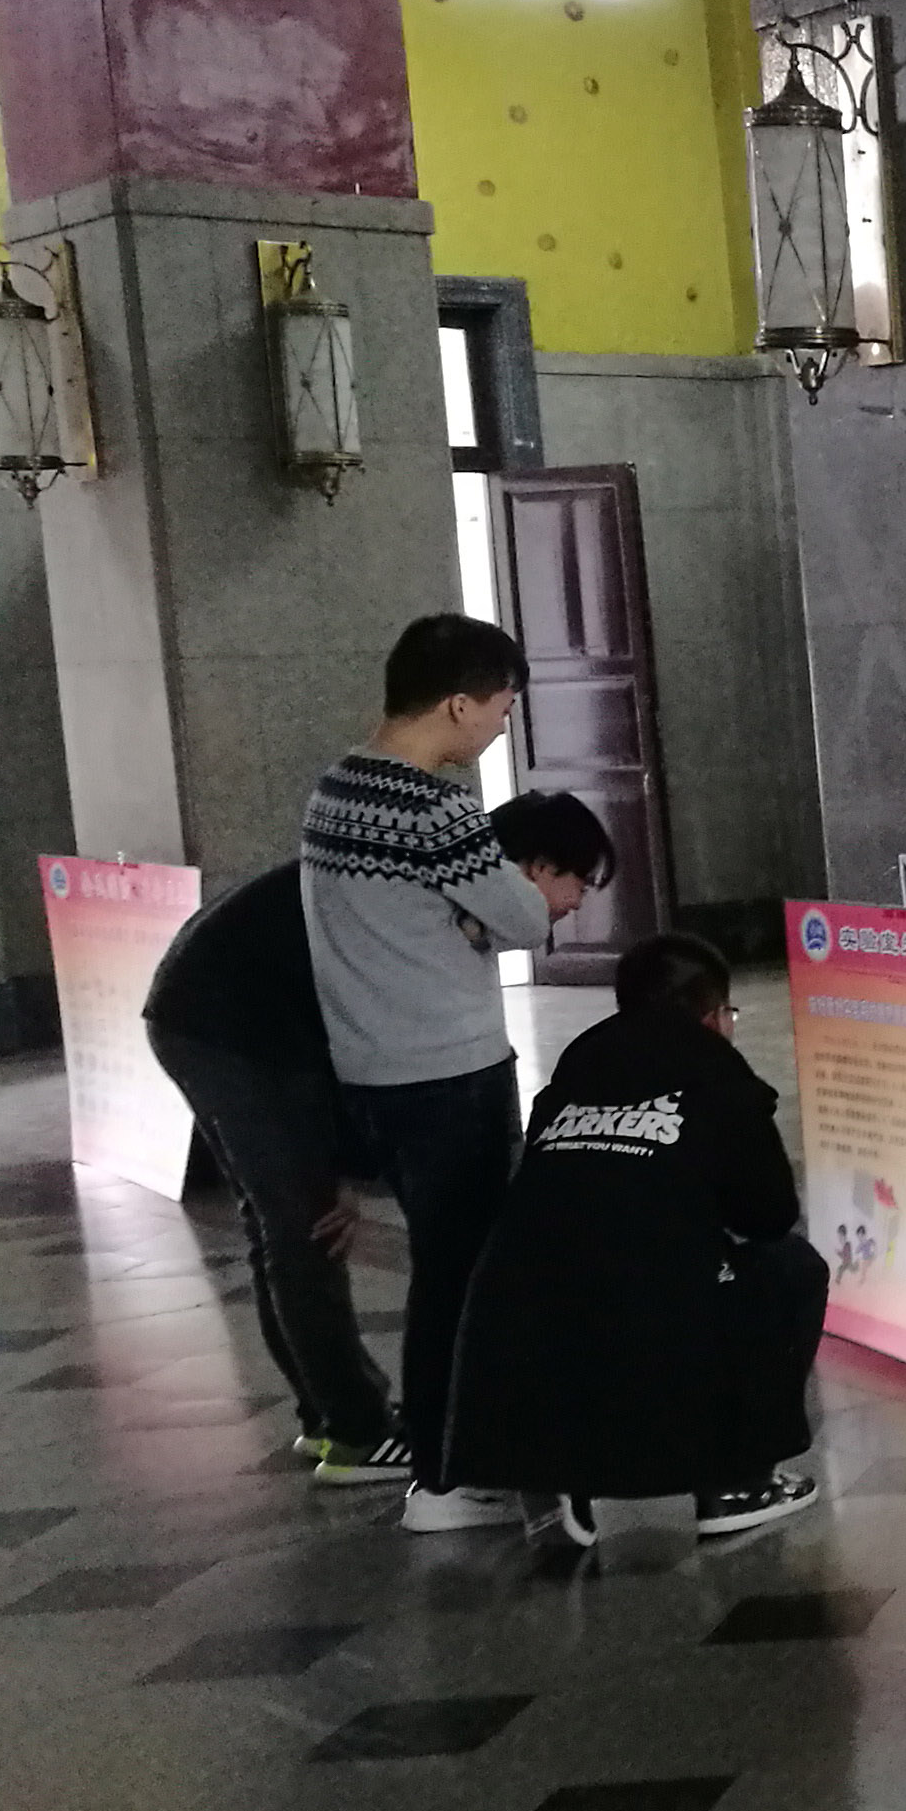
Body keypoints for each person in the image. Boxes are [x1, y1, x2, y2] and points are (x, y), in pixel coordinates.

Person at [299, 616, 604, 1534]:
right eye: (503, 708)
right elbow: (522, 917)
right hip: (448, 1074)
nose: (503, 727)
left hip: (368, 1072)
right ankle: (446, 1475)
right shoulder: (435, 810)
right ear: (460, 704)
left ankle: (446, 1466)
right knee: (462, 1281)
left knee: (442, 1270)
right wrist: (484, 913)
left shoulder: (334, 788)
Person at [450, 932, 829, 1545]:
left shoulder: (582, 1057)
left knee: (591, 1274)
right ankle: (737, 1481)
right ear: (713, 1015)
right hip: (644, 1295)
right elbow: (770, 1214)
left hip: (511, 1293)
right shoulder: (716, 1066)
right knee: (792, 1270)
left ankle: (555, 1479)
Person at [141, 859, 404, 1483]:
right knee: (308, 1231)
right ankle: (358, 1434)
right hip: (239, 1032)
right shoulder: (412, 894)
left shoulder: (380, 867)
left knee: (281, 1230)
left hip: (199, 1015)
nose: (574, 901)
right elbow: (360, 1036)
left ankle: (329, 1415)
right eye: (577, 882)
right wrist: (343, 1168)